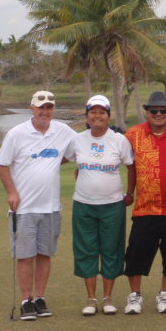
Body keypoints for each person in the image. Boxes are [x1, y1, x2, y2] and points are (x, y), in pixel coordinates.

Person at [0, 90, 76, 320]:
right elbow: (1, 164)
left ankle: (40, 298)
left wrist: (61, 163)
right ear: (32, 108)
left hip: (51, 207)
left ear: (53, 109)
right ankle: (26, 301)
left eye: (49, 107)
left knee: (44, 254)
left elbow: (78, 149)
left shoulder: (63, 131)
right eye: (41, 107)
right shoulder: (17, 133)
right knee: (25, 255)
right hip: (24, 208)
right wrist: (12, 192)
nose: (45, 111)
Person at [64, 95, 135, 316]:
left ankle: (108, 297)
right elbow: (63, 159)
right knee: (86, 250)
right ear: (87, 116)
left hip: (112, 204)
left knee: (111, 249)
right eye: (93, 112)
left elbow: (131, 167)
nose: (97, 116)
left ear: (108, 115)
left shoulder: (119, 140)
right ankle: (91, 298)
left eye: (101, 112)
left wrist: (130, 193)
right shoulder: (78, 139)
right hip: (84, 204)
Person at [122, 91, 166, 315]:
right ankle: (135, 296)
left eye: (164, 110)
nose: (159, 114)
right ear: (147, 112)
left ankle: (164, 295)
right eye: (154, 111)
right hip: (145, 207)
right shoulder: (134, 134)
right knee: (136, 254)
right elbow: (118, 156)